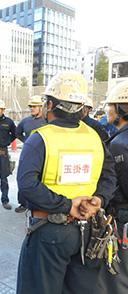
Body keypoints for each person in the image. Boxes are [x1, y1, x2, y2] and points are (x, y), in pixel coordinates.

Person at [16, 71, 116, 294]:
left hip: (49, 231)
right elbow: (109, 176)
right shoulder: (95, 138)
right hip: (89, 232)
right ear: (82, 108)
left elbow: (27, 186)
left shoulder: (39, 139)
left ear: (49, 104)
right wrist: (97, 200)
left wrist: (66, 205)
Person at [96, 80, 128, 293]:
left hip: (121, 219)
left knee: (115, 277)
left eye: (111, 105)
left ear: (122, 108)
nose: (108, 110)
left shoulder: (120, 144)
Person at [14, 95, 46, 213]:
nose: (32, 109)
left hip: (44, 155)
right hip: (28, 155)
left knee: (41, 179)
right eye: (31, 107)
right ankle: (23, 203)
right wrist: (27, 143)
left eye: (35, 106)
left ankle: (39, 204)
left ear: (41, 107)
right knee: (25, 178)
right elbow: (17, 133)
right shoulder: (25, 122)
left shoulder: (46, 121)